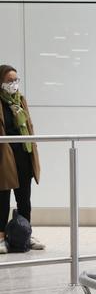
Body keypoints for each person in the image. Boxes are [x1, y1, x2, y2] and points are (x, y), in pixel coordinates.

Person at [0, 65, 44, 253]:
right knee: (3, 198)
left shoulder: (20, 101)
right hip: (4, 157)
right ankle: (1, 237)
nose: (13, 84)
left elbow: (28, 126)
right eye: (9, 81)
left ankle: (26, 233)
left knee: (24, 199)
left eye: (16, 80)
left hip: (23, 155)